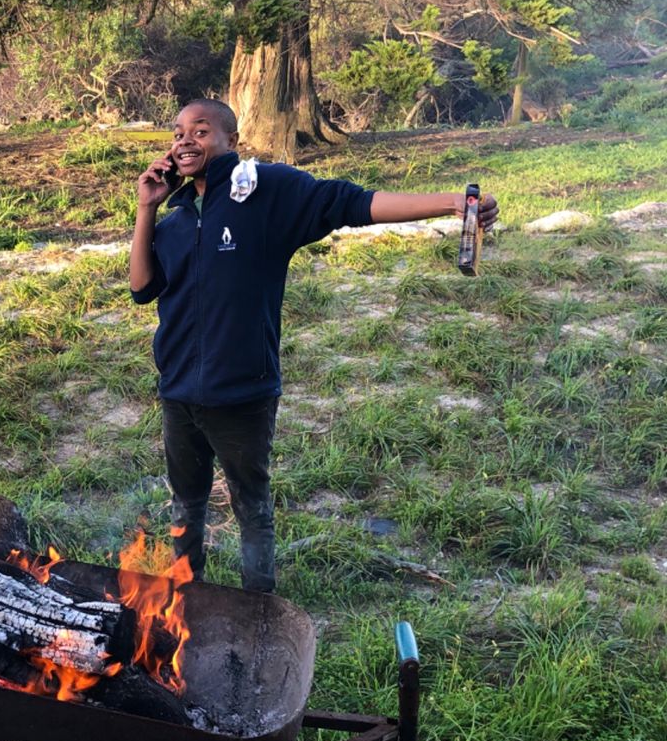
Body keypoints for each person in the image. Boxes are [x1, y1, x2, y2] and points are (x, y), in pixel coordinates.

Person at [129, 98, 498, 592]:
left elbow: (352, 203)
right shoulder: (174, 221)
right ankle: (184, 600)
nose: (185, 141)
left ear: (231, 142)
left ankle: (258, 609)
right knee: (186, 502)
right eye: (177, 134)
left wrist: (451, 202)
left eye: (200, 131)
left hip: (240, 393)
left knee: (250, 505)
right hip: (177, 390)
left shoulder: (267, 194)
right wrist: (146, 207)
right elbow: (141, 288)